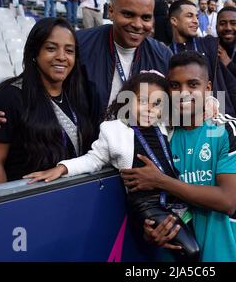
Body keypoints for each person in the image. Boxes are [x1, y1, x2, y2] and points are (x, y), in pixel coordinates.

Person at [24, 72, 200, 262]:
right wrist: (62, 168)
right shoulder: (113, 130)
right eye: (142, 101)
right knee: (191, 251)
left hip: (175, 199)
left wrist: (212, 103)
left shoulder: (164, 125)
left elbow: (192, 109)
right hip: (147, 204)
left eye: (157, 103)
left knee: (189, 248)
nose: (149, 109)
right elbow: (92, 159)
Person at [0, 0, 172, 141]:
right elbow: (36, 81)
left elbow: (183, 107)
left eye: (146, 17)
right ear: (110, 11)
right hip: (88, 156)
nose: (138, 24)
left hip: (142, 157)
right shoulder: (80, 44)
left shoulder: (162, 56)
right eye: (128, 14)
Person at [121, 51, 236, 262]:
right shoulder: (161, 135)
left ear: (208, 88)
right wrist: (150, 229)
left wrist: (161, 180)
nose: (183, 93)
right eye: (174, 86)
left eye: (192, 85)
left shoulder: (228, 129)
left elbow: (227, 200)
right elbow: (149, 199)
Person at [0, 18, 94, 186]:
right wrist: (2, 209)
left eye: (69, 51)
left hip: (74, 195)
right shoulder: (8, 97)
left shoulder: (79, 93)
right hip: (28, 201)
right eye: (51, 48)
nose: (62, 57)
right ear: (35, 52)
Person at [168, 0, 236, 121]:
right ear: (174, 21)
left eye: (197, 16)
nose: (196, 21)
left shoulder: (209, 45)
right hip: (184, 124)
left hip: (218, 120)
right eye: (189, 16)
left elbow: (230, 82)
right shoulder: (165, 53)